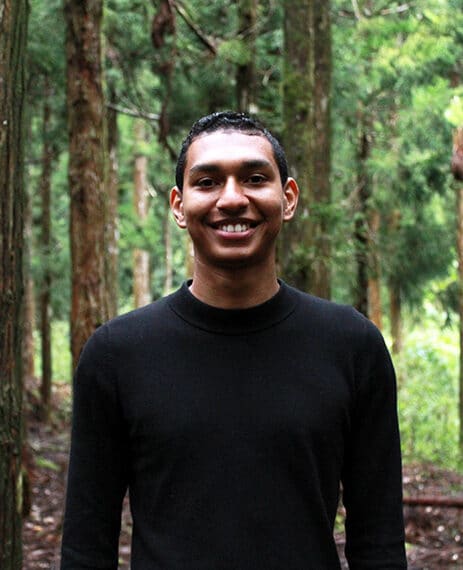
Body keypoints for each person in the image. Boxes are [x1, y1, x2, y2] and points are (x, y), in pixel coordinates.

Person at [61, 111, 406, 569]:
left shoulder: (352, 347)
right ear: (179, 205)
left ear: (288, 198)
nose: (232, 198)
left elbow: (379, 544)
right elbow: (86, 547)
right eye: (207, 182)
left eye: (254, 177)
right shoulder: (117, 355)